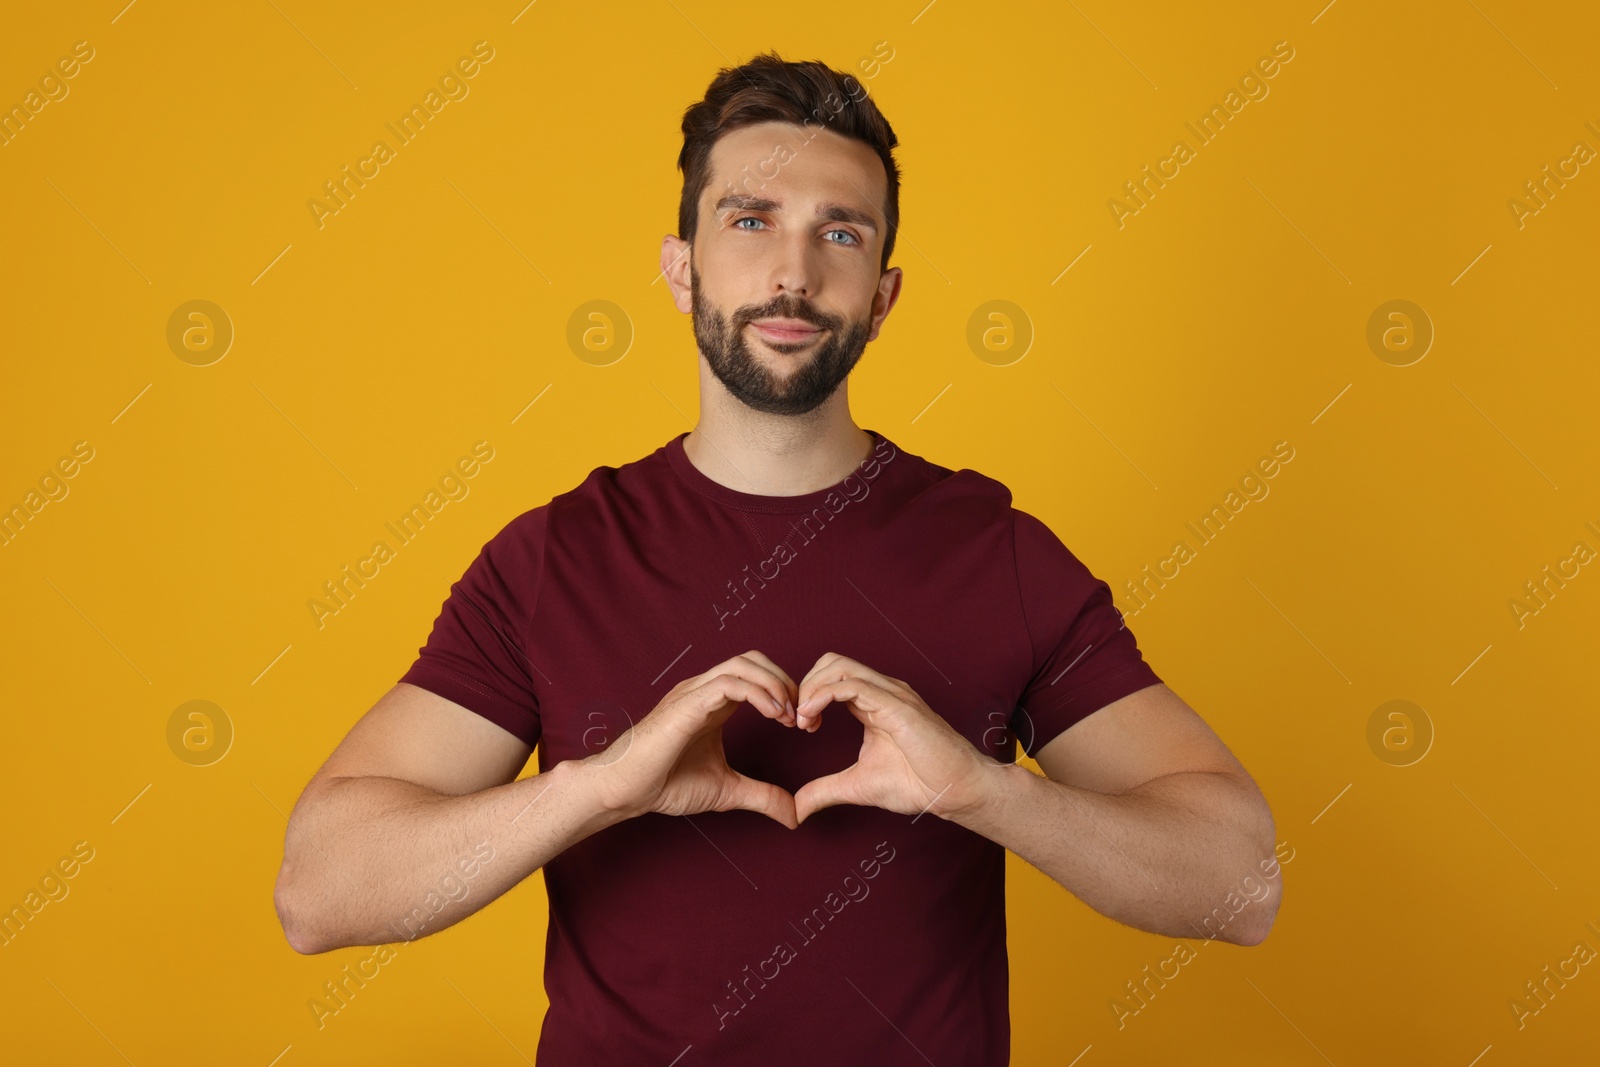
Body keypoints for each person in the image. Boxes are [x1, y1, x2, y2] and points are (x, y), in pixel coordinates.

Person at [272, 50, 1279, 1064]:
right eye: (750, 220)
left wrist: (985, 788)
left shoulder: (997, 551)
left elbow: (1242, 882)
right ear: (682, 268)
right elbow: (318, 892)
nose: (793, 271)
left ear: (882, 295)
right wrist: (603, 786)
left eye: (837, 232)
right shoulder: (554, 558)